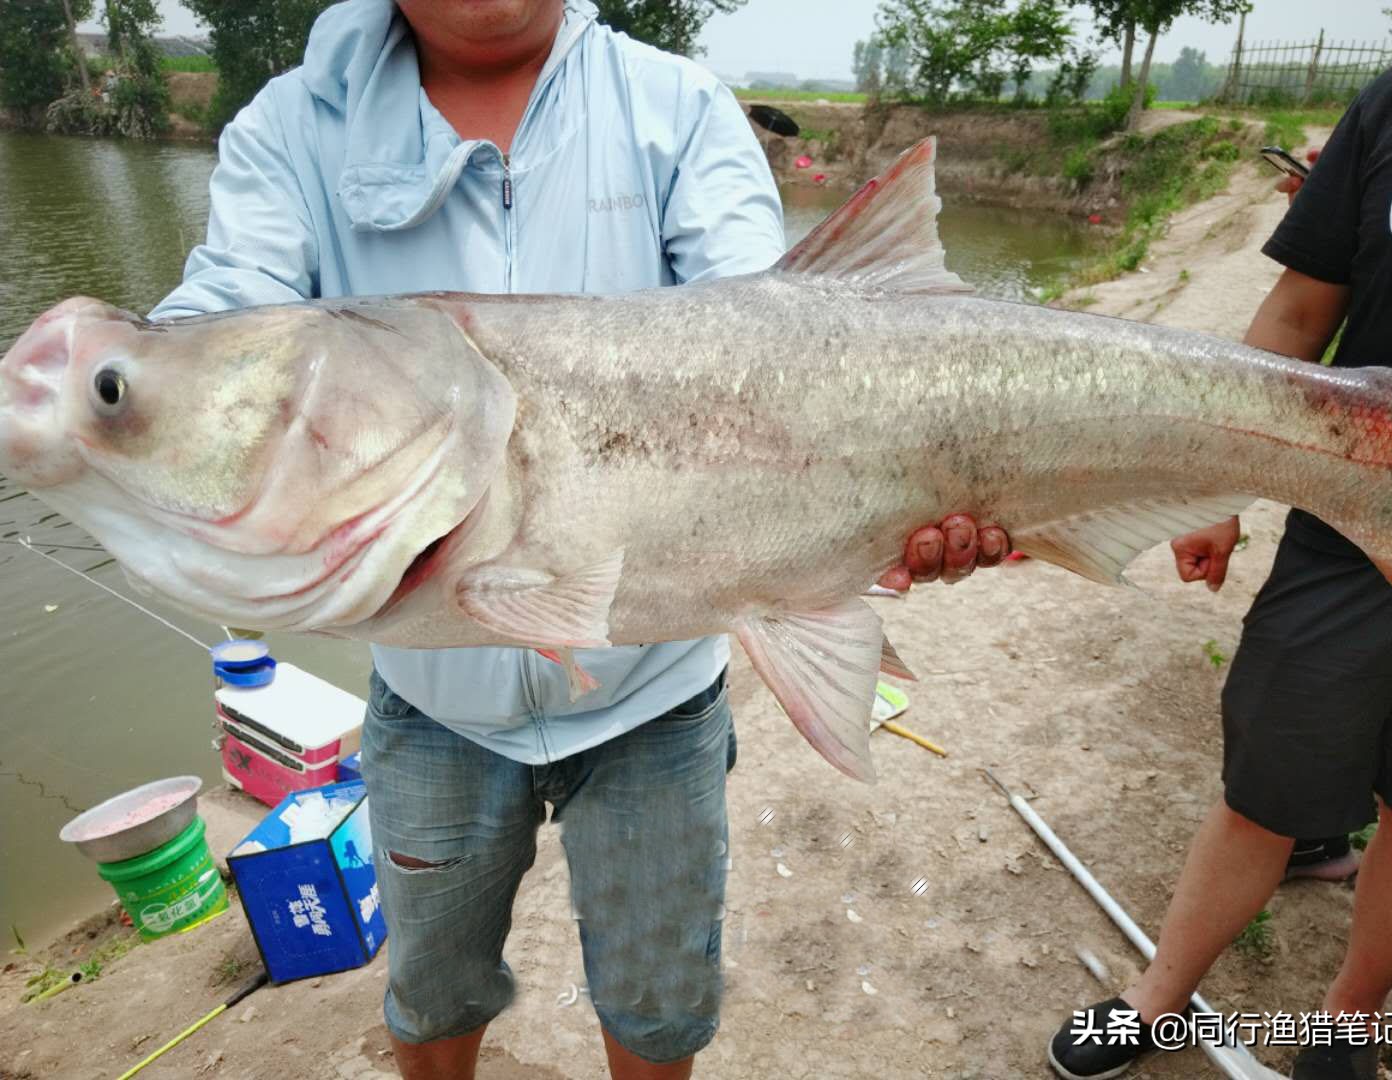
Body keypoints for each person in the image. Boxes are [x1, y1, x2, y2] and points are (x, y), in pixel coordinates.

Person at [151, 2, 1005, 1076]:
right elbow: (227, 322)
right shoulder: (292, 131)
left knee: (658, 1004)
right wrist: (124, 381)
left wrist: (892, 496)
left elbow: (786, 333)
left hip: (656, 686)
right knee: (432, 993)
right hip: (432, 696)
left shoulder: (674, 106)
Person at [1048, 47, 1392, 1080]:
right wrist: (1219, 488)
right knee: (1264, 786)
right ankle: (1156, 1000)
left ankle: (1349, 1022)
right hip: (1347, 522)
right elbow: (1301, 314)